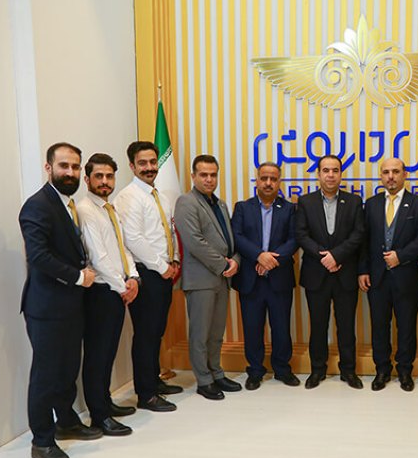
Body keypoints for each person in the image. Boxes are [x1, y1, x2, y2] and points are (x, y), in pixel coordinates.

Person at [19, 142, 101, 458]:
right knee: (46, 375)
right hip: (46, 309)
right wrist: (79, 277)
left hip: (70, 306)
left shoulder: (67, 204)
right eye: (64, 166)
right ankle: (41, 441)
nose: (70, 172)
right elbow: (38, 256)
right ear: (48, 167)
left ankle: (67, 421)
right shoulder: (36, 206)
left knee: (67, 369)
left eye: (75, 167)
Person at [114, 141, 182, 412]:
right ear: (132, 166)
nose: (149, 167)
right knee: (145, 334)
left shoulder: (159, 196)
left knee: (156, 331)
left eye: (153, 162)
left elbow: (168, 232)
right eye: (142, 163)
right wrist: (161, 266)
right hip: (146, 273)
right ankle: (146, 394)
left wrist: (174, 260)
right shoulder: (129, 197)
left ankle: (154, 381)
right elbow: (134, 239)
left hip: (163, 272)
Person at [77, 153, 140, 437]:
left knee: (108, 353)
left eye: (109, 176)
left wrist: (133, 277)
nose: (105, 181)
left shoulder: (109, 208)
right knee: (97, 356)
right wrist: (122, 286)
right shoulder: (86, 210)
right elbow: (99, 257)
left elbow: (122, 248)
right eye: (99, 176)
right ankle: (99, 416)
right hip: (101, 292)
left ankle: (105, 402)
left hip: (116, 289)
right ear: (87, 178)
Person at [359, 158, 418, 392]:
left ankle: (404, 371)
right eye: (386, 172)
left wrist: (401, 256)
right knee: (379, 326)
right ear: (381, 176)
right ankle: (382, 370)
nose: (390, 176)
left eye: (395, 172)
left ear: (405, 174)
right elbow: (364, 241)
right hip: (377, 277)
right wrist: (363, 270)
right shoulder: (371, 204)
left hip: (407, 277)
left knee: (406, 326)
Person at [174, 154, 243, 400]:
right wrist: (223, 264)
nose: (209, 179)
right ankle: (204, 380)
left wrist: (236, 260)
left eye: (213, 175)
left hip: (222, 278)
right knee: (200, 334)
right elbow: (195, 242)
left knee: (216, 332)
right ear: (193, 176)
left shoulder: (220, 204)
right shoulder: (186, 202)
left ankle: (216, 372)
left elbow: (230, 238)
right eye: (203, 175)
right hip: (201, 279)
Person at [295, 154, 366, 389]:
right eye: (326, 170)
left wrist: (337, 256)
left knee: (346, 327)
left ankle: (349, 371)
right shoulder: (305, 202)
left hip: (345, 274)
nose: (330, 175)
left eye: (335, 170)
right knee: (318, 326)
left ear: (341, 174)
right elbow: (301, 234)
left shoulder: (354, 201)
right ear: (318, 174)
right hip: (317, 274)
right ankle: (317, 370)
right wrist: (324, 257)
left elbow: (358, 234)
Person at [231, 162, 300, 389]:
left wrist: (271, 261)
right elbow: (237, 237)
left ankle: (282, 369)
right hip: (251, 279)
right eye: (264, 178)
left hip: (279, 278)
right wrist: (259, 256)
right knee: (252, 328)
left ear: (279, 182)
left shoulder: (289, 209)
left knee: (281, 328)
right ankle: (255, 371)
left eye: (273, 179)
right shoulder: (243, 207)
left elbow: (294, 240)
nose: (268, 183)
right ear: (257, 180)